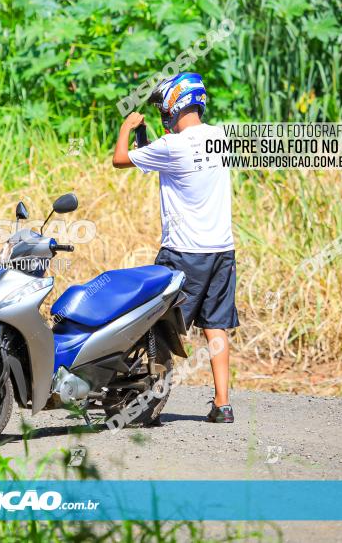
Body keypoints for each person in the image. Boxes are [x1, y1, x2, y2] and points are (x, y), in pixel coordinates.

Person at [112, 72, 237, 423]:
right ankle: (223, 404)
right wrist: (144, 138)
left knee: (150, 319)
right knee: (215, 326)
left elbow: (121, 160)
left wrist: (127, 127)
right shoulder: (221, 138)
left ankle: (145, 402)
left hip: (182, 252)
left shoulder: (172, 146)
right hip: (221, 250)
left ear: (173, 104)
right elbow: (157, 158)